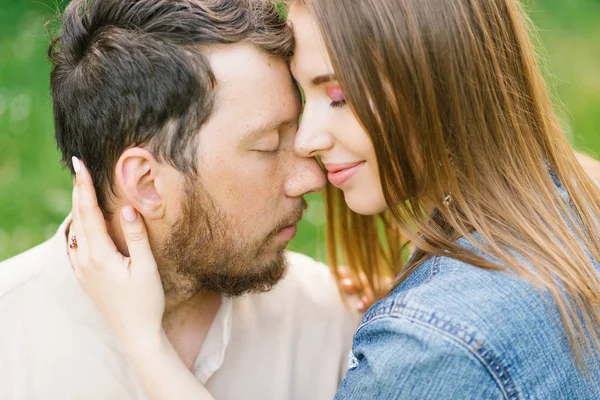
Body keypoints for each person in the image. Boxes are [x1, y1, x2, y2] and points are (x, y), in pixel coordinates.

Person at [68, 0, 600, 398]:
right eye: (307, 97)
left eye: (339, 95)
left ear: (439, 77)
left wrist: (142, 338)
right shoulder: (577, 197)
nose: (308, 139)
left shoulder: (432, 343)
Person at [0, 1, 361, 399]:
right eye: (269, 146)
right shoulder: (10, 344)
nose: (312, 178)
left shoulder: (334, 325)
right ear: (146, 183)